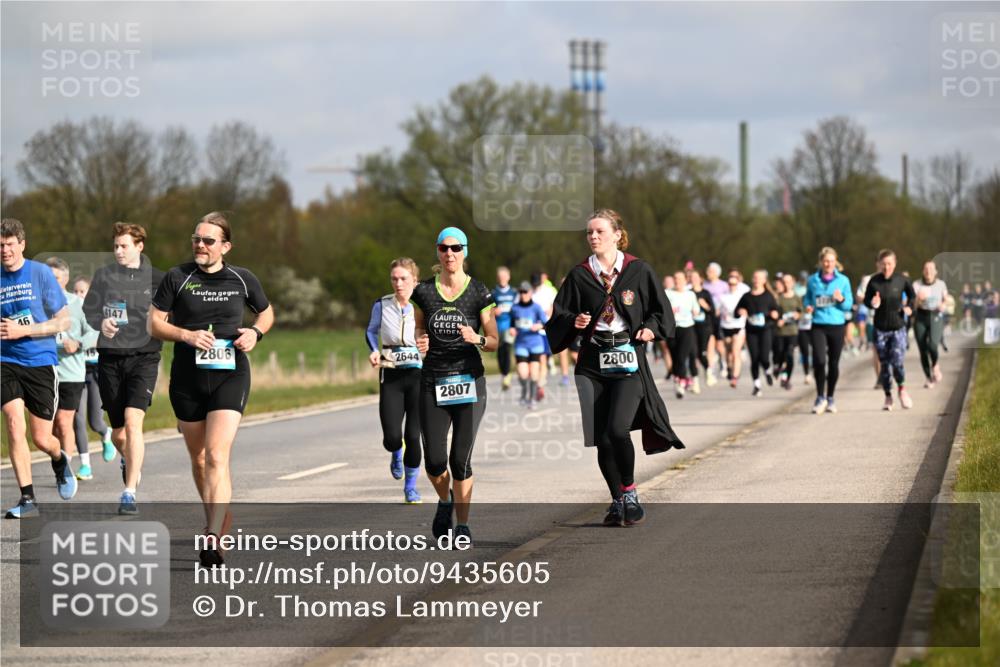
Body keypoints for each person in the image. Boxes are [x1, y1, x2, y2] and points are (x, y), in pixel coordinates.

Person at [545, 209, 684, 527]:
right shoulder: (580, 275)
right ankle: (617, 499)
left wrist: (650, 328)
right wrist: (574, 321)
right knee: (602, 437)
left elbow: (661, 312)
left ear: (617, 235)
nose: (593, 237)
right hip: (591, 364)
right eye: (589, 232)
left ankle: (630, 492)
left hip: (628, 361)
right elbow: (558, 317)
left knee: (617, 430)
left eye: (599, 232)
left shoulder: (638, 270)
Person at [149, 212, 273, 565]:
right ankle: (215, 519)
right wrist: (185, 335)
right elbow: (153, 323)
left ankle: (213, 536)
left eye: (208, 241)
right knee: (200, 459)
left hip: (230, 373)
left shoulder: (243, 278)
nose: (200, 245)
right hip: (187, 377)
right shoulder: (177, 277)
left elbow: (266, 313)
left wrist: (255, 332)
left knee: (217, 455)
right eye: (196, 239)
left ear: (225, 246)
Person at [411, 227, 498, 546]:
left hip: (469, 382)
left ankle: (462, 524)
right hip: (433, 381)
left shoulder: (479, 292)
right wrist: (420, 341)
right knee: (435, 462)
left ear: (465, 252)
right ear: (438, 251)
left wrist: (478, 339)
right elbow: (419, 328)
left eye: (456, 248)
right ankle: (445, 500)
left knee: (460, 460)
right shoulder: (423, 291)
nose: (450, 253)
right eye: (444, 248)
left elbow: (495, 341)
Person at [83, 222, 164, 514]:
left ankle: (129, 493)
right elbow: (90, 310)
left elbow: (171, 315)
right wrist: (101, 322)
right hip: (110, 358)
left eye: (124, 246)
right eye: (115, 246)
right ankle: (128, 459)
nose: (118, 251)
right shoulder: (104, 276)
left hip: (145, 357)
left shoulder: (158, 279)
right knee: (119, 433)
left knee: (133, 421)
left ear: (139, 246)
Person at [1, 218, 76, 518]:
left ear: (22, 244)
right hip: (6, 360)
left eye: (10, 244)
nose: (5, 250)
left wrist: (26, 330)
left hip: (40, 361)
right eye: (0, 245)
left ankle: (59, 459)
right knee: (13, 422)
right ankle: (27, 498)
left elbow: (64, 321)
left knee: (42, 438)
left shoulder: (40, 273)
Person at [366, 258, 423, 503]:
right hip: (390, 372)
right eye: (394, 279)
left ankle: (411, 487)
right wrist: (374, 350)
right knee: (391, 437)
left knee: (413, 436)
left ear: (415, 280)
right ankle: (395, 452)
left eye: (403, 279)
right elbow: (371, 331)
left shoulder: (424, 306)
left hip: (419, 375)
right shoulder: (382, 304)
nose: (398, 283)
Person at [45, 258, 100, 481]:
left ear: (65, 279)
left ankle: (65, 472)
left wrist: (77, 343)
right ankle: (61, 460)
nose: (51, 282)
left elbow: (94, 332)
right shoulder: (38, 303)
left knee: (63, 421)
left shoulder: (77, 303)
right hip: (44, 373)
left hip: (71, 374)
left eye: (56, 278)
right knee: (49, 430)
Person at [803, 247, 853, 414]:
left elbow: (848, 305)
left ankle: (830, 397)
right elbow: (807, 299)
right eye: (825, 261)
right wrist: (808, 306)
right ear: (820, 262)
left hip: (837, 325)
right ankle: (819, 397)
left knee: (833, 363)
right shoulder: (812, 280)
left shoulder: (843, 280)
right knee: (819, 361)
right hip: (818, 324)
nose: (828, 264)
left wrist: (841, 299)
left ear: (835, 262)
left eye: (831, 261)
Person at [864, 249, 916, 411]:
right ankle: (888, 396)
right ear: (879, 264)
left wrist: (909, 307)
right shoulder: (874, 281)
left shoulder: (902, 280)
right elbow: (866, 300)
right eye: (883, 264)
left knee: (897, 362)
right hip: (880, 329)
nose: (886, 267)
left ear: (894, 263)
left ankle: (902, 389)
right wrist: (872, 302)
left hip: (897, 327)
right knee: (885, 365)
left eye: (889, 264)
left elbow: (912, 296)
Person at [72, 276, 115, 464]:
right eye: (75, 291)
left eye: (83, 291)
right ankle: (85, 464)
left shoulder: (99, 314)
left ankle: (106, 434)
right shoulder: (69, 315)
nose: (78, 295)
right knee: (78, 419)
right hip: (77, 372)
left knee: (95, 422)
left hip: (96, 372)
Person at [736, 270, 781, 397]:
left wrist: (775, 314)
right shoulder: (746, 296)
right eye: (755, 277)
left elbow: (777, 311)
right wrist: (740, 311)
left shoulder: (768, 296)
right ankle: (757, 385)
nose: (756, 280)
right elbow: (736, 311)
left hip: (765, 330)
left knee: (764, 357)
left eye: (759, 278)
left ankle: (767, 370)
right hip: (751, 331)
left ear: (764, 280)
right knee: (754, 358)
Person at [509, 281, 548, 409]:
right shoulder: (515, 308)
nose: (523, 294)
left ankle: (532, 399)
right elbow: (512, 323)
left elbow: (546, 323)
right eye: (520, 292)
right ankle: (525, 392)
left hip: (535, 344)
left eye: (525, 292)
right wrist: (512, 329)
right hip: (521, 344)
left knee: (534, 372)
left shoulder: (536, 307)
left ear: (530, 293)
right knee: (523, 373)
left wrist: (539, 326)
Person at [913, 260, 948, 389]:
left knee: (933, 345)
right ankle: (929, 377)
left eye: (931, 269)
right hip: (920, 317)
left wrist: (943, 305)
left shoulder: (941, 284)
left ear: (936, 271)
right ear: (923, 271)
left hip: (935, 316)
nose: (928, 271)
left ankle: (935, 365)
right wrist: (918, 299)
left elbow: (946, 299)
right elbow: (912, 305)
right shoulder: (916, 285)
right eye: (926, 269)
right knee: (922, 349)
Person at [666, 270, 701, 398]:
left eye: (680, 279)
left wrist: (695, 312)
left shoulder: (690, 294)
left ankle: (682, 381)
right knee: (675, 357)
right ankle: (678, 381)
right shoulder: (667, 293)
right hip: (672, 329)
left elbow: (696, 309)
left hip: (687, 328)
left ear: (686, 280)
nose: (678, 281)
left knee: (682, 356)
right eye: (675, 278)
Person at [717, 269, 748, 387]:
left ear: (738, 284)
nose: (732, 286)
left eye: (734, 284)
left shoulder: (742, 296)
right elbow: (717, 310)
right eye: (730, 284)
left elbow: (749, 307)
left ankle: (735, 376)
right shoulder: (723, 297)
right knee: (728, 352)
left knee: (736, 351)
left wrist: (745, 312)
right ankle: (729, 368)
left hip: (739, 326)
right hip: (726, 326)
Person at [530, 271, 558, 398]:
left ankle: (540, 384)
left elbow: (556, 305)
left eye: (537, 284)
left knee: (542, 358)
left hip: (545, 330)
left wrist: (550, 311)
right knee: (535, 360)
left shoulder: (548, 291)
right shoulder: (529, 292)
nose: (535, 286)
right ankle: (538, 383)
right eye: (534, 284)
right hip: (531, 331)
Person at [689, 269, 717, 389]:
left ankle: (708, 371)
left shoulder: (706, 293)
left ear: (701, 279)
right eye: (692, 277)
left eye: (696, 277)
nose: (694, 279)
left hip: (705, 327)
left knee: (701, 353)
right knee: (692, 353)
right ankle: (695, 381)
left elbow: (713, 311)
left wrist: (705, 305)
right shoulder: (688, 293)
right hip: (691, 327)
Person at [775, 273, 802, 390]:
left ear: (793, 283)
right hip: (780, 332)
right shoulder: (779, 298)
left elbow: (802, 311)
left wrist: (798, 315)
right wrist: (777, 319)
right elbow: (774, 312)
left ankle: (786, 379)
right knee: (780, 354)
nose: (786, 284)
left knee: (790, 355)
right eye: (784, 282)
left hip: (793, 331)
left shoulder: (797, 298)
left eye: (788, 282)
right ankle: (778, 367)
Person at [491, 267, 516, 392]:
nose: (502, 279)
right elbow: (487, 309)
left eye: (504, 276)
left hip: (509, 326)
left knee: (507, 348)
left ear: (509, 277)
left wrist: (514, 326)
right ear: (498, 278)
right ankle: (503, 374)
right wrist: (493, 311)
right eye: (500, 277)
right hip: (497, 326)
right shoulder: (493, 293)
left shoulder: (514, 293)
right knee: (500, 352)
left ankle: (506, 376)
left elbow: (517, 310)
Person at [796, 272, 813, 386]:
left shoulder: (814, 296)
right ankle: (807, 373)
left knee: (817, 351)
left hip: (814, 327)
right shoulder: (799, 296)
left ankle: (817, 369)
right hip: (802, 328)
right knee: (805, 352)